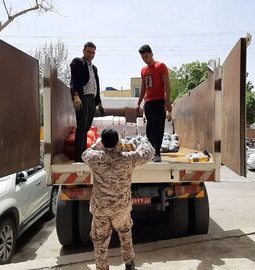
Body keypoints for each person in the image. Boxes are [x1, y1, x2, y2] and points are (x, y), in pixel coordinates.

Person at [82, 128, 155, 270]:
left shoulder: (94, 158)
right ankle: (129, 264)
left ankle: (102, 267)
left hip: (101, 209)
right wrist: (145, 141)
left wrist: (97, 144)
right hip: (121, 208)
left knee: (100, 241)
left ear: (103, 143)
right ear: (118, 142)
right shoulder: (128, 158)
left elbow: (85, 154)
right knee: (125, 234)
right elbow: (148, 154)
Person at [70, 41, 105, 162]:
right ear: (84, 51)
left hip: (91, 99)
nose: (91, 54)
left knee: (86, 128)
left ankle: (83, 153)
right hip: (82, 97)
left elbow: (97, 84)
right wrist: (76, 95)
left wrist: (99, 102)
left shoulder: (94, 68)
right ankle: (79, 156)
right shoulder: (78, 62)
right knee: (81, 127)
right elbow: (74, 80)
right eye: (89, 52)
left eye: (93, 53)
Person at [136, 44, 171, 163]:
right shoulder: (143, 70)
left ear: (151, 54)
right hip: (148, 103)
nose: (145, 59)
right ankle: (149, 153)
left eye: (147, 56)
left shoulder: (160, 66)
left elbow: (167, 85)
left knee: (158, 128)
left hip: (159, 101)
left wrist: (168, 102)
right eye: (143, 57)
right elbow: (143, 89)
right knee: (149, 129)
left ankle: (157, 153)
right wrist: (138, 103)